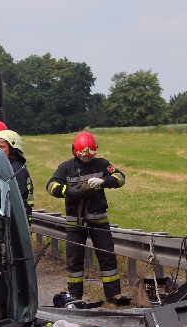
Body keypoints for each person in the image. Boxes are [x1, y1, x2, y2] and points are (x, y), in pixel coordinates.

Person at [46, 131, 130, 306]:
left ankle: (114, 295)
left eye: (89, 156)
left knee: (107, 257)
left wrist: (103, 181)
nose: (86, 159)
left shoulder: (101, 164)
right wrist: (68, 191)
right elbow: (51, 185)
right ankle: (75, 297)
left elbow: (120, 178)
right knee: (74, 260)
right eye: (83, 156)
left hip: (99, 219)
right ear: (75, 152)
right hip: (75, 221)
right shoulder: (66, 168)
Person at [0, 130, 34, 223]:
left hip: (18, 222)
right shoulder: (9, 167)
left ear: (13, 150)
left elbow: (16, 200)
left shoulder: (16, 170)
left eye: (2, 147)